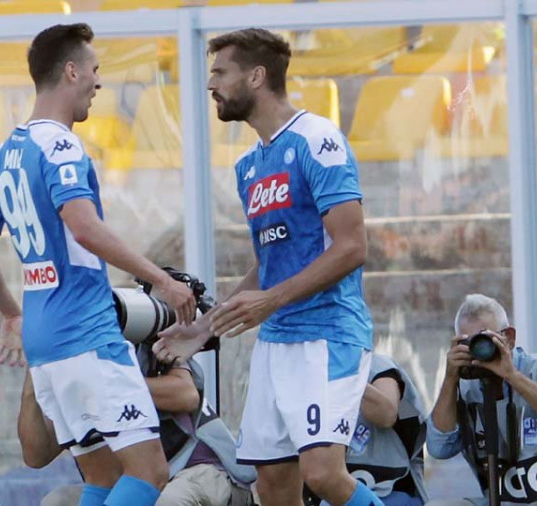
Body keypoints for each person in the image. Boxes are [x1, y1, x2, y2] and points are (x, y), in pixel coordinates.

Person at [0, 22, 196, 506]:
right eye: (94, 69)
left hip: (45, 345)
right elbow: (84, 227)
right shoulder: (60, 144)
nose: (99, 82)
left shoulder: (4, 155)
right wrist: (162, 282)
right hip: (87, 333)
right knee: (150, 472)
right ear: (71, 72)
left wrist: (11, 313)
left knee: (104, 477)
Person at [155, 27, 381, 506]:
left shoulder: (318, 139)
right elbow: (269, 264)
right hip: (276, 344)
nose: (210, 84)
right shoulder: (248, 166)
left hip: (327, 335)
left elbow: (351, 246)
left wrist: (272, 300)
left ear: (256, 77)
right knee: (274, 486)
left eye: (220, 72)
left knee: (323, 474)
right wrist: (204, 330)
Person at [19, 342, 257, 506]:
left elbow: (186, 394)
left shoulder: (140, 337)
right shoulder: (64, 359)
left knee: (170, 501)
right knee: (58, 501)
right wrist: (33, 383)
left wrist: (109, 386)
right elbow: (36, 457)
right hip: (132, 484)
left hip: (199, 470)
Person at [426, 294, 537, 506]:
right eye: (469, 342)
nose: (480, 349)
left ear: (509, 337)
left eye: (485, 339)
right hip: (505, 501)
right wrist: (450, 378)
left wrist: (512, 376)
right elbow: (439, 448)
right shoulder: (463, 388)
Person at [305, 354, 428, 506]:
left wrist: (343, 377)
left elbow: (385, 415)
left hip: (389, 490)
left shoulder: (379, 368)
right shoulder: (299, 371)